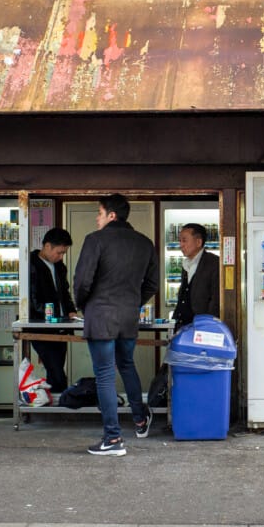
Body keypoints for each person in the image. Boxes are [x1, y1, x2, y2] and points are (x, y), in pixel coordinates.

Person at [73, 194, 158, 457]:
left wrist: (85, 305)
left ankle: (112, 438)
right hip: (129, 316)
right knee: (126, 365)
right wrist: (133, 302)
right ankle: (141, 419)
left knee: (105, 375)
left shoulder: (95, 240)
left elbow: (82, 281)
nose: (96, 219)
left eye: (99, 213)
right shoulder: (145, 243)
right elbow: (152, 284)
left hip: (101, 316)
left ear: (111, 215)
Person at [28, 227, 77, 394]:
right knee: (57, 373)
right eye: (59, 252)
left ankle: (53, 406)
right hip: (39, 327)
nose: (61, 256)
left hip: (61, 326)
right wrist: (52, 316)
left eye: (63, 253)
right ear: (47, 246)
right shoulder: (31, 265)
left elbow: (65, 292)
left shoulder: (59, 267)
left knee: (54, 371)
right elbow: (32, 300)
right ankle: (65, 405)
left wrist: (70, 310)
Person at [172, 222, 220, 329]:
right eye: (179, 241)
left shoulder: (213, 263)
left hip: (201, 325)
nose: (181, 245)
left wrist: (208, 325)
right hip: (182, 325)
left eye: (184, 240)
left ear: (198, 242)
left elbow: (215, 299)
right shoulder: (186, 264)